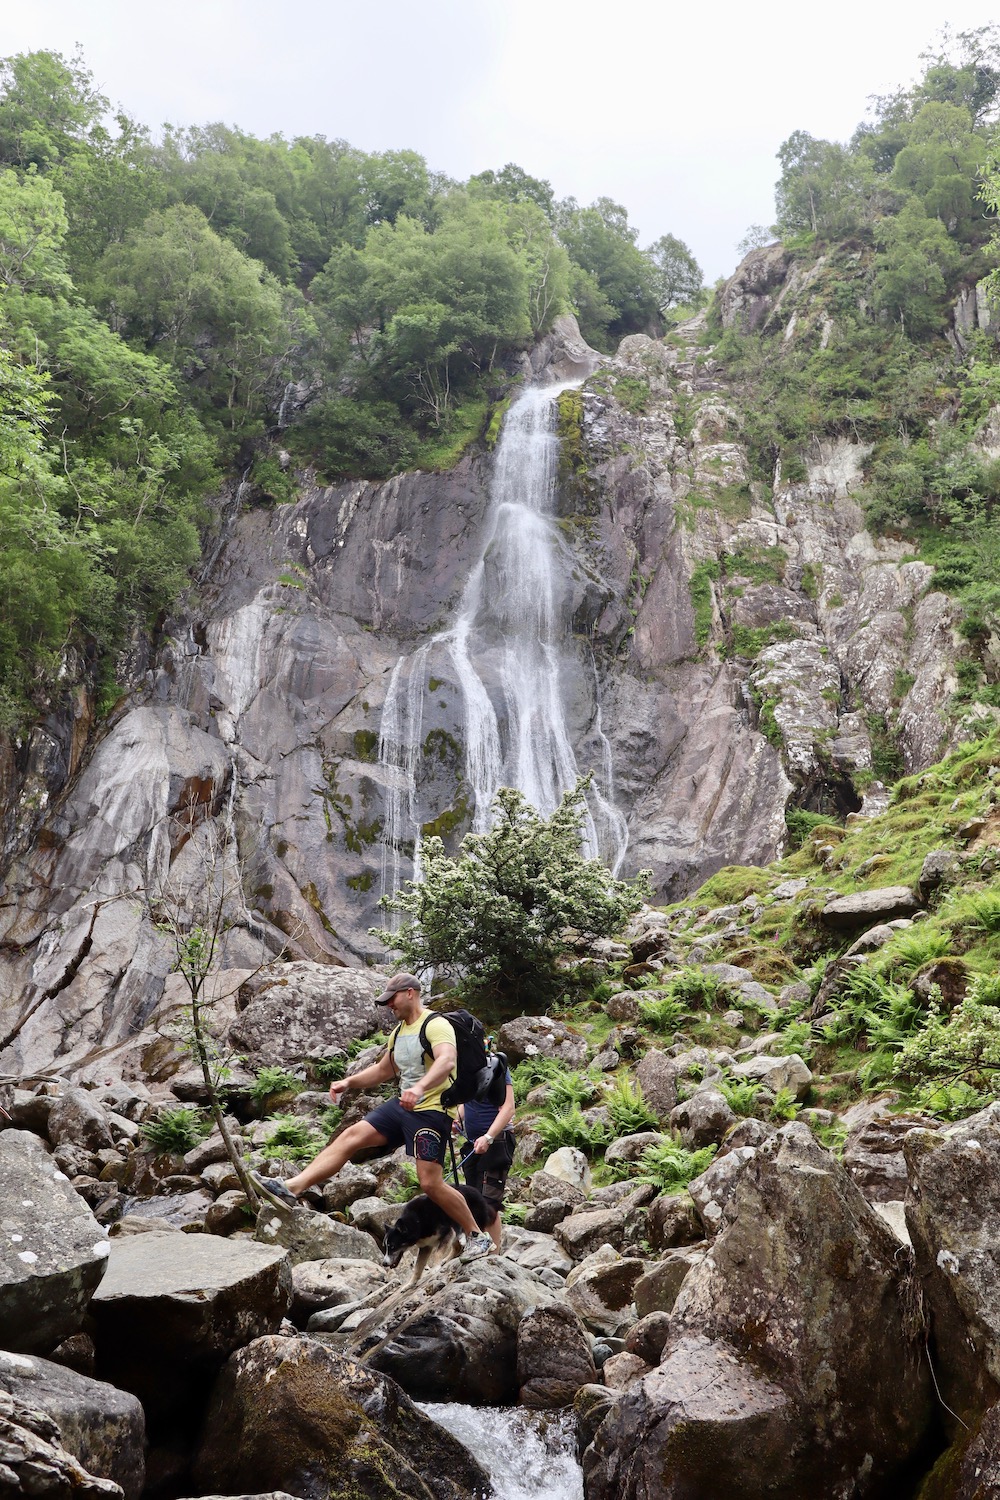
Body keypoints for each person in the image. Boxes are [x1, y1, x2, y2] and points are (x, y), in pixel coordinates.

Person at [252, 972, 493, 1261]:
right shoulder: (399, 1031)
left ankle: (478, 1235)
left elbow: (446, 1060)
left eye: (392, 999)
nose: (389, 1006)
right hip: (402, 1108)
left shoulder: (436, 1024)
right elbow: (383, 1070)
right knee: (352, 1135)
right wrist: (348, 1082)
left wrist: (418, 1087)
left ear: (410, 993)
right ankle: (291, 1188)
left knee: (431, 1184)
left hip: (431, 1111)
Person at [456, 1061, 515, 1253]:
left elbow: (508, 1108)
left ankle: (495, 1255)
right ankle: (481, 1247)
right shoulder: (464, 1067)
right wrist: (457, 1119)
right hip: (473, 1145)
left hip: (497, 1142)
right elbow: (468, 1101)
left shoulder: (497, 1067)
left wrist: (489, 1137)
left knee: (489, 1202)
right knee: (473, 1201)